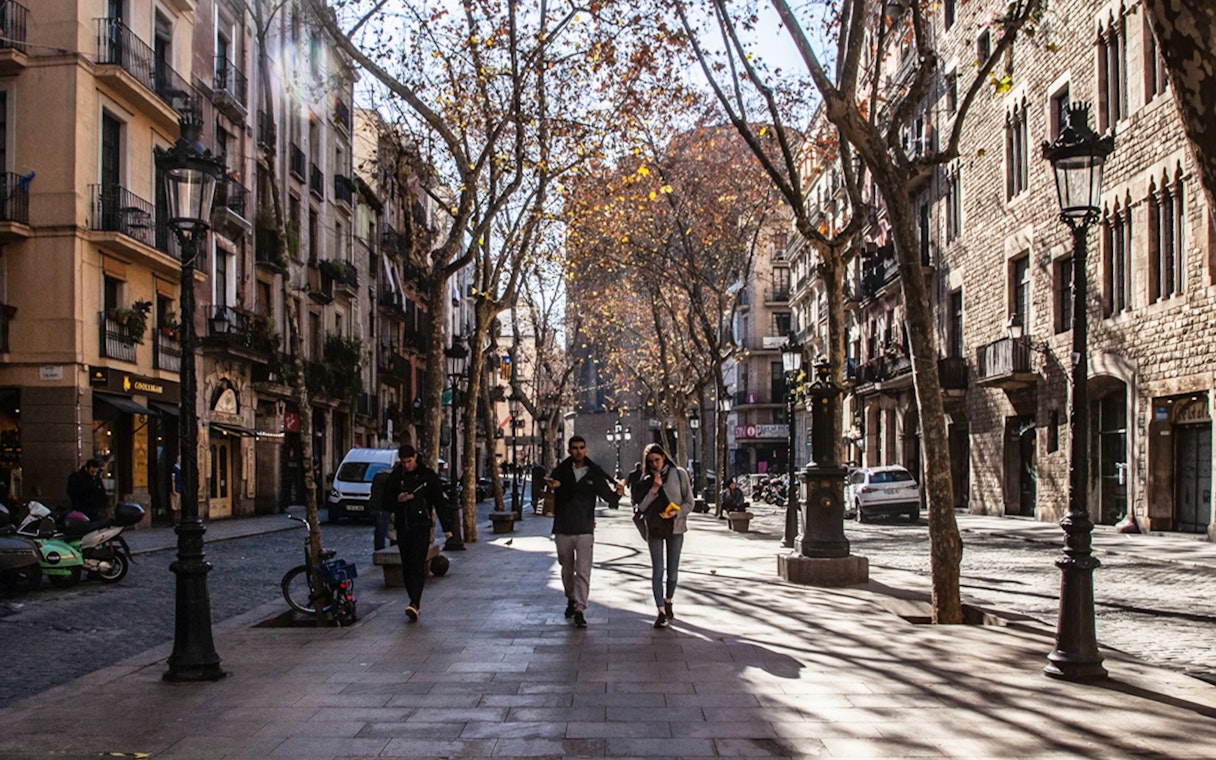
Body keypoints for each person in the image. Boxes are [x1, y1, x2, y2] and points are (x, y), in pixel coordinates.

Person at [546, 435, 624, 629]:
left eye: (581, 447)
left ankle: (580, 608)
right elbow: (545, 490)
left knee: (582, 570)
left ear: (585, 449)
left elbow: (608, 497)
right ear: (569, 450)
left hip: (585, 528)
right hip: (563, 527)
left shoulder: (594, 473)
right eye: (574, 448)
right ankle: (571, 597)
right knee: (566, 568)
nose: (578, 451)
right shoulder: (561, 471)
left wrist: (618, 494)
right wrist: (552, 487)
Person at [383, 444, 452, 622]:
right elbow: (384, 500)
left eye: (409, 461)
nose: (406, 465)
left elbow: (439, 501)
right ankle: (413, 600)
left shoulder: (427, 476)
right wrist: (397, 499)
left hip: (422, 525)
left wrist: (447, 528)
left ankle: (415, 602)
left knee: (417, 562)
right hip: (403, 525)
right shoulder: (396, 477)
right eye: (403, 462)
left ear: (415, 457)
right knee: (407, 564)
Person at [631, 443, 692, 630]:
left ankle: (668, 600)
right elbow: (640, 508)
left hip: (675, 528)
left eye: (657, 460)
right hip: (655, 528)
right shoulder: (645, 480)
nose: (655, 464)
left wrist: (677, 513)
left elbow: (689, 502)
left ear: (664, 458)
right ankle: (660, 612)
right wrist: (654, 489)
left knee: (672, 571)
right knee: (658, 569)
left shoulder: (679, 474)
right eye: (650, 462)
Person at [369, 466, 391, 552]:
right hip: (382, 508)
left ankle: (379, 550)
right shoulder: (386, 478)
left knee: (380, 531)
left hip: (377, 507)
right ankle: (380, 551)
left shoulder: (379, 476)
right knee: (381, 531)